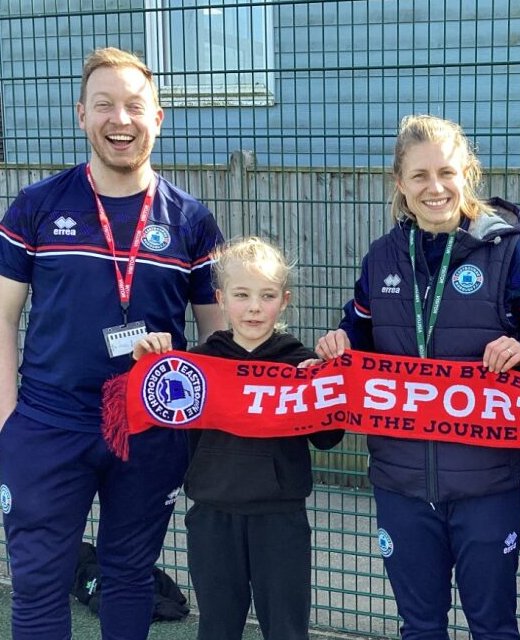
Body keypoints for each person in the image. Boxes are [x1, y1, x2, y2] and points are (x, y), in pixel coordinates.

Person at [314, 114, 520, 639]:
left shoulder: (510, 255)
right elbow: (356, 334)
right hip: (401, 480)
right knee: (419, 626)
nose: (435, 188)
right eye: (419, 176)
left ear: (467, 173)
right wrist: (339, 342)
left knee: (493, 626)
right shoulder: (381, 256)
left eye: (446, 172)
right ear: (400, 185)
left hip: (488, 481)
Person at [0, 47, 224, 639]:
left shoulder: (191, 219)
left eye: (134, 106)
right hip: (49, 424)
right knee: (40, 584)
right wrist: (7, 419)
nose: (119, 120)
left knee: (129, 578)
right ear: (81, 115)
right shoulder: (37, 206)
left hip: (150, 426)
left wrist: (189, 413)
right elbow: (1, 317)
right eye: (104, 106)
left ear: (159, 117)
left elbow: (217, 337)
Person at [131, 236, 344, 639]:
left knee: (286, 628)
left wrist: (331, 383)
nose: (253, 307)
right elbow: (149, 419)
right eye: (241, 295)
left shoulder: (302, 365)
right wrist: (146, 362)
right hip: (212, 516)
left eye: (266, 296)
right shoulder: (194, 365)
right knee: (218, 627)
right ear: (221, 298)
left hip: (280, 519)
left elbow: (329, 439)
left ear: (284, 300)